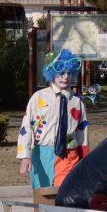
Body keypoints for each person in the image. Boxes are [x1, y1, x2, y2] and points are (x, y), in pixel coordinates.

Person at [17, 49, 89, 188]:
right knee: (43, 197)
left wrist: (84, 156)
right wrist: (25, 156)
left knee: (63, 192)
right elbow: (27, 127)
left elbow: (82, 129)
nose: (65, 77)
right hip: (43, 152)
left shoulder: (77, 100)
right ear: (51, 73)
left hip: (69, 153)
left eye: (69, 73)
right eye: (61, 73)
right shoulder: (39, 97)